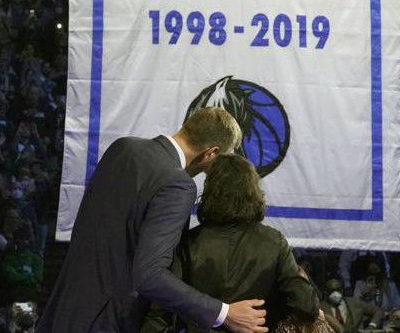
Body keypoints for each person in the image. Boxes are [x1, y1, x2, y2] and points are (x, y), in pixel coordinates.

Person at [38, 107, 267, 333]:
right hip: (106, 322)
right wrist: (223, 313)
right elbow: (149, 276)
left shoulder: (122, 147)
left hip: (63, 309)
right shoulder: (178, 185)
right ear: (211, 153)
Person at [141, 155, 318, 332]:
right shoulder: (274, 242)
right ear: (253, 191)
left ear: (210, 191)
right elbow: (305, 306)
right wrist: (300, 277)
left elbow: (161, 310)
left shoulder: (188, 242)